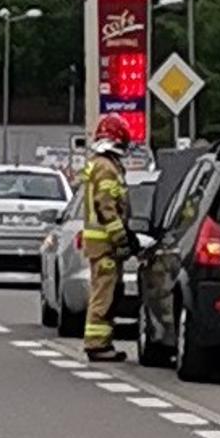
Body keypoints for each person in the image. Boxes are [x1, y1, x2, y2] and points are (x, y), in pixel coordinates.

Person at [78, 114, 136, 362]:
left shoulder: (99, 164)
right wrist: (121, 237)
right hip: (105, 244)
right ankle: (97, 344)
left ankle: (101, 342)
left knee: (106, 292)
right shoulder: (106, 167)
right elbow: (106, 206)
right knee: (104, 294)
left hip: (99, 243)